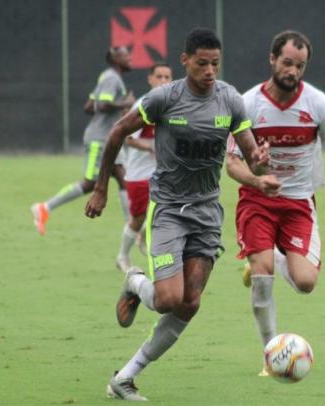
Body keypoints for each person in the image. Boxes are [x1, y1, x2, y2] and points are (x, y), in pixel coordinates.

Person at [84, 28, 277, 401]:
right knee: (168, 298)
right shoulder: (163, 99)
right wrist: (101, 187)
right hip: (169, 209)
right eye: (201, 63)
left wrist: (260, 165)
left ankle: (124, 378)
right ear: (184, 60)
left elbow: (250, 150)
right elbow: (117, 133)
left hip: (207, 212)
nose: (209, 71)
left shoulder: (231, 100)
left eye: (215, 64)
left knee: (190, 303)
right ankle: (136, 282)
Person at [225, 30, 325, 376]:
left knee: (306, 283)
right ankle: (271, 355)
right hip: (257, 201)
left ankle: (269, 256)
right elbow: (232, 162)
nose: (293, 71)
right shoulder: (248, 103)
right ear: (272, 59)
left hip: (298, 203)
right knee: (263, 276)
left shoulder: (317, 103)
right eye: (286, 63)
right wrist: (257, 177)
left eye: (300, 65)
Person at [31, 47, 135, 235]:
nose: (130, 57)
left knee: (123, 178)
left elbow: (89, 106)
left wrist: (118, 108)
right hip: (100, 139)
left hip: (110, 139)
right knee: (91, 183)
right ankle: (44, 207)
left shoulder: (107, 76)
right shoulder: (112, 78)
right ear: (114, 58)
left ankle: (133, 228)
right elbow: (102, 105)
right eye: (126, 55)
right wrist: (126, 103)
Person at [116, 62, 173, 272]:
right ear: (150, 79)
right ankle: (122, 256)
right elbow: (128, 138)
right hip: (139, 175)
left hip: (163, 174)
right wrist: (151, 147)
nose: (163, 81)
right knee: (138, 219)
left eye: (167, 77)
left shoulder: (174, 106)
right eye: (159, 76)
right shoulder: (144, 105)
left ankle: (152, 246)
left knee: (165, 213)